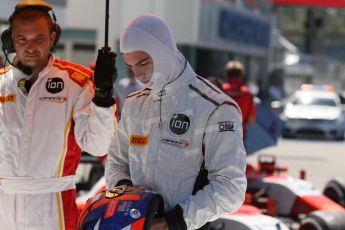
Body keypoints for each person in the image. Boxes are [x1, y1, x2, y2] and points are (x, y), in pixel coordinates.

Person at [105, 14, 247, 230]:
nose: (138, 73)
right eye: (131, 66)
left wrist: (173, 222)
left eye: (143, 62)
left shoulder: (213, 108)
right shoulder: (135, 105)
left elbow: (230, 188)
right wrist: (124, 191)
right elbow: (116, 162)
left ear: (163, 50)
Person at [0, 1, 116, 229]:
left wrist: (103, 99)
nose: (30, 47)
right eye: (22, 39)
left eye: (39, 39)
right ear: (10, 40)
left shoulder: (77, 82)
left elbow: (99, 146)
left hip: (54, 205)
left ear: (52, 38)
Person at [223, 60, 256, 137]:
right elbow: (251, 121)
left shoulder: (220, 90)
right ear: (241, 76)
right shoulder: (247, 94)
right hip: (239, 135)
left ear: (227, 74)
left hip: (219, 135)